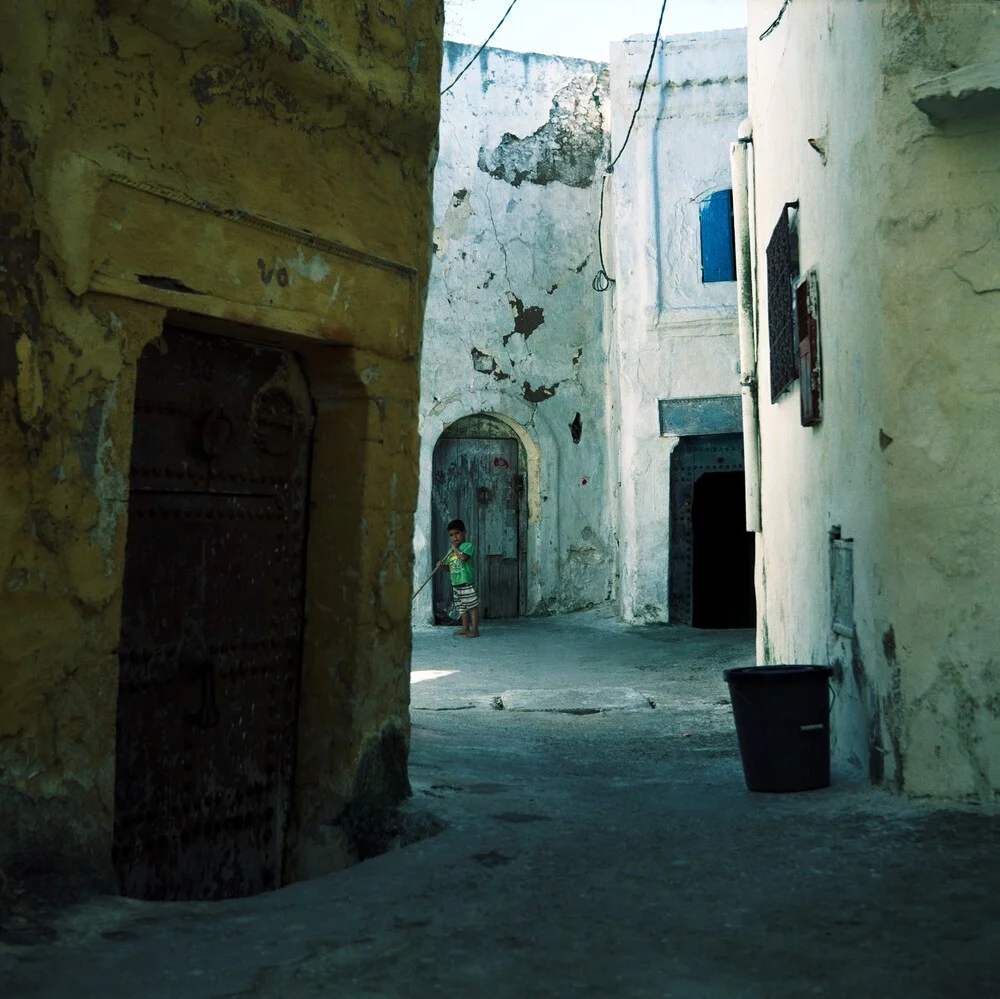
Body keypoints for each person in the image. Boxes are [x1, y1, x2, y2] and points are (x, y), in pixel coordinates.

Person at [438, 519, 479, 638]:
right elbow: (449, 568)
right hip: (456, 583)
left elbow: (463, 558)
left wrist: (455, 549)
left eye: (457, 533)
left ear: (464, 532)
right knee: (462, 608)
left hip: (465, 582)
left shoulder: (468, 546)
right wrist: (442, 566)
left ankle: (475, 630)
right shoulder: (450, 552)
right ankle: (465, 628)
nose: (454, 537)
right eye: (451, 535)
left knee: (471, 606)